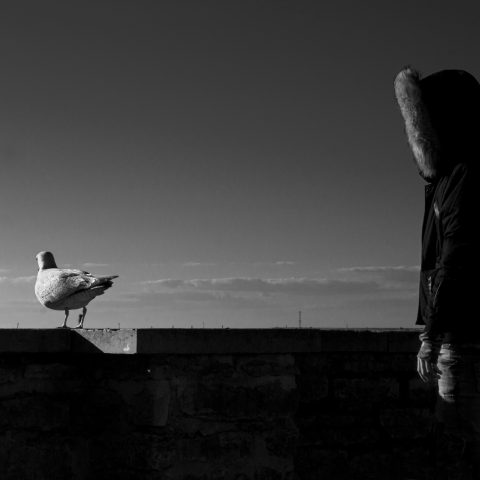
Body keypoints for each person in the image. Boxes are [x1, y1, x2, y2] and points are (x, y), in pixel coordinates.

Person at [395, 67, 480, 479]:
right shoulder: (448, 179)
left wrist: (431, 334)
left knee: (457, 448)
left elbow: (456, 261)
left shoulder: (463, 176)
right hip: (459, 337)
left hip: (463, 340)